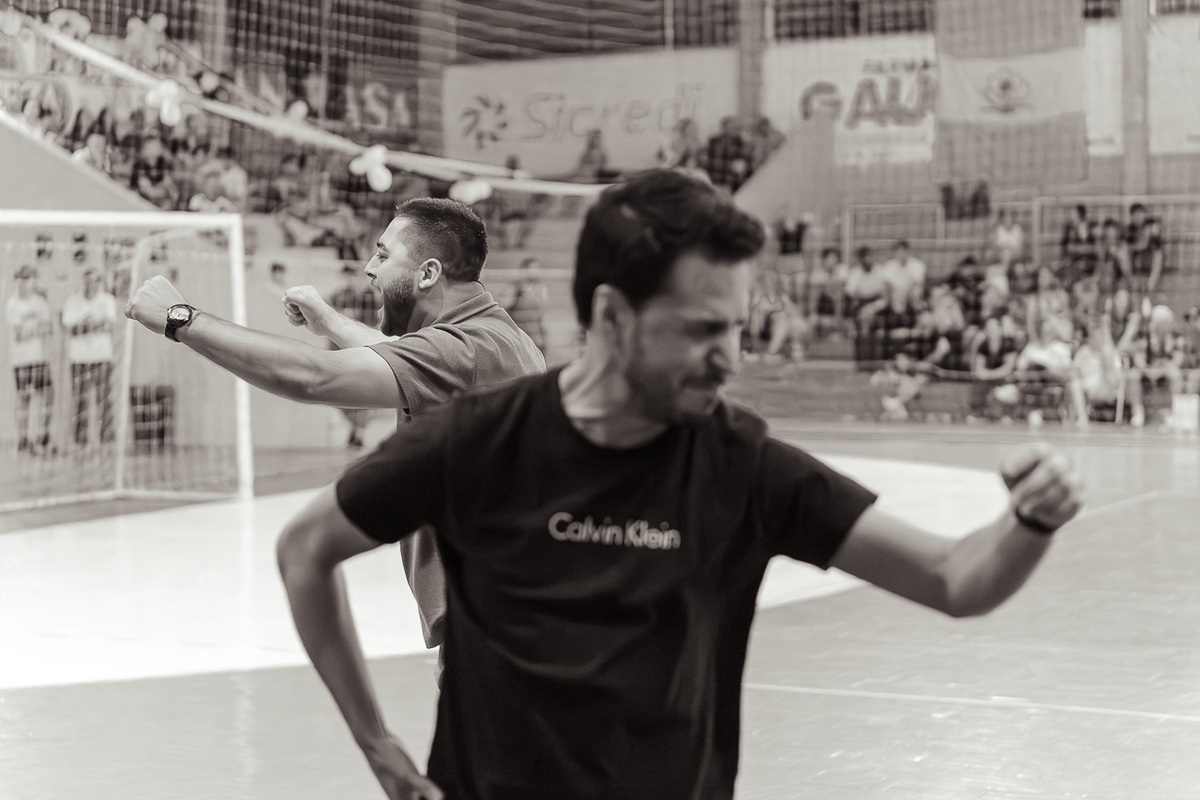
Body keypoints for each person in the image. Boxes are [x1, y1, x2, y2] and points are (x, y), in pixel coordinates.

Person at [275, 169, 1083, 800]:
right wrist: (376, 743)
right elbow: (307, 548)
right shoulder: (487, 439)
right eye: (701, 330)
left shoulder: (739, 465)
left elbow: (954, 579)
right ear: (613, 317)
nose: (729, 357)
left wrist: (1032, 520)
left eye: (735, 328)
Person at [124, 197, 546, 670]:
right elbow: (407, 355)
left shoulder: (466, 352)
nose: (369, 268)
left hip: (501, 637)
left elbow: (313, 378)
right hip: (516, 616)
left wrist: (181, 318)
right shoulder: (497, 339)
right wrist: (328, 321)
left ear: (428, 273)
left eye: (383, 255)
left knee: (305, 548)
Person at [327, 263, 384, 448]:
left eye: (357, 274)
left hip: (365, 352)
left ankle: (359, 431)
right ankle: (356, 427)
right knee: (337, 394)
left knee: (365, 395)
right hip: (341, 352)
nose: (354, 278)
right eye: (350, 274)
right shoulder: (339, 295)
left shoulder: (374, 298)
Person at [61, 267, 118, 446]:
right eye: (87, 281)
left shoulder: (107, 300)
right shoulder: (72, 301)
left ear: (98, 282)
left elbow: (108, 325)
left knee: (104, 401)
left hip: (102, 358)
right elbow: (69, 328)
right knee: (80, 402)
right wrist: (95, 324)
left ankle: (107, 440)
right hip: (79, 359)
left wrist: (83, 326)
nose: (90, 284)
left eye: (93, 281)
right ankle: (80, 442)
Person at [7, 265, 54, 454]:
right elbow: (20, 335)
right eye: (24, 279)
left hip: (40, 358)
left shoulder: (40, 301)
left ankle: (42, 436)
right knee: (23, 397)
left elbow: (48, 328)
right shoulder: (13, 303)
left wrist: (31, 328)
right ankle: (23, 438)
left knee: (47, 394)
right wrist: (37, 327)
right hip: (21, 359)